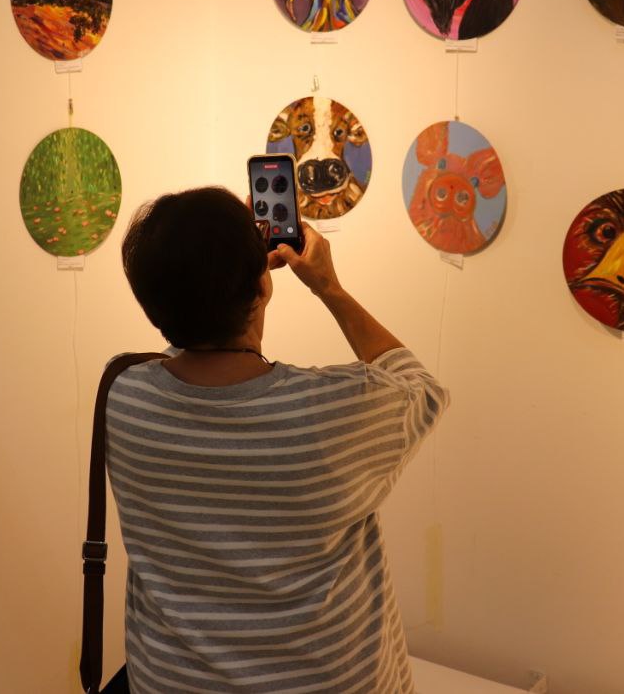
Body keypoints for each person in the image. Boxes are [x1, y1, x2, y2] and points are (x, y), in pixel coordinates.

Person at [110, 186, 449, 693]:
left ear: (149, 300)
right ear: (261, 286)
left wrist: (214, 271)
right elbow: (421, 387)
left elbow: (187, 336)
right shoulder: (335, 409)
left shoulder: (122, 399)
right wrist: (328, 287)